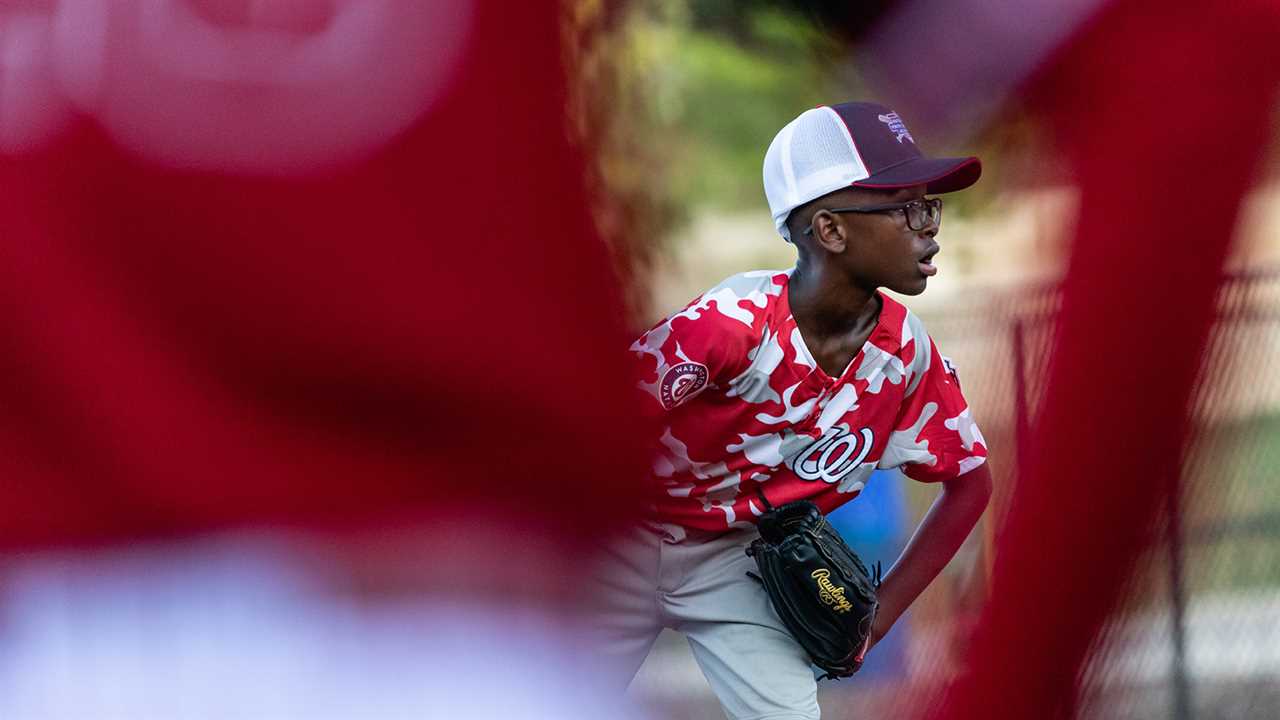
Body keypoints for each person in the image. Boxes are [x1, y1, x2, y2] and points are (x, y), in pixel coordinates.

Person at [594, 102, 994, 720]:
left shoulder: (906, 355)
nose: (930, 226)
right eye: (906, 207)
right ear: (831, 230)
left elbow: (969, 483)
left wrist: (878, 619)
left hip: (738, 562)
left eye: (930, 206)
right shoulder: (730, 328)